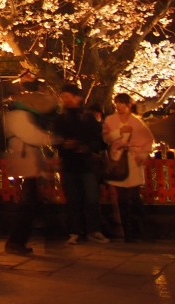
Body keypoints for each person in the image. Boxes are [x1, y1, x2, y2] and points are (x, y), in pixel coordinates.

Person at [52, 84, 109, 244]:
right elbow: (55, 139)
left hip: (86, 164)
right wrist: (63, 143)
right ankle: (74, 231)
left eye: (68, 97)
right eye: (63, 98)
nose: (65, 101)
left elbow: (99, 140)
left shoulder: (88, 118)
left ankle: (93, 230)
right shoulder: (60, 119)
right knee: (72, 199)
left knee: (92, 198)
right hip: (69, 163)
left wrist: (86, 147)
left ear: (77, 98)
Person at [2, 88, 56, 255]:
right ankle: (16, 240)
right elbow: (32, 136)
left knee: (31, 200)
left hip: (27, 160)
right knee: (27, 202)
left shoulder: (18, 115)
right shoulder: (18, 116)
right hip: (24, 160)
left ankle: (21, 239)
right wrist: (53, 139)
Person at [102, 92, 154, 242]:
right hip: (118, 160)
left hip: (133, 160)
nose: (119, 106)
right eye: (117, 103)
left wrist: (142, 155)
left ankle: (141, 230)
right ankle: (128, 232)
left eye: (122, 103)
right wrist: (119, 132)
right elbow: (105, 137)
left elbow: (147, 140)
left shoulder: (137, 122)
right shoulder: (110, 120)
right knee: (122, 199)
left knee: (134, 197)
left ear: (129, 104)